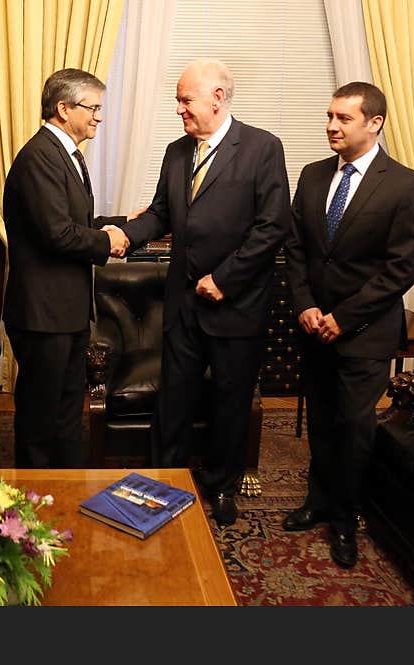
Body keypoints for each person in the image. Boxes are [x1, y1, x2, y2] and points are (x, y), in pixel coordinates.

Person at [120, 59, 291, 526]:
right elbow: (160, 214)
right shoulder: (177, 152)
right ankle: (161, 482)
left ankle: (222, 487)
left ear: (217, 97)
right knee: (172, 399)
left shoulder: (261, 148)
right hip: (182, 306)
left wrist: (225, 278)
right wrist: (122, 236)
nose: (179, 109)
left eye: (185, 100)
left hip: (236, 306)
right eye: (178, 100)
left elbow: (272, 225)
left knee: (230, 403)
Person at [283, 81, 414, 567]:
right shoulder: (312, 174)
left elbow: (401, 268)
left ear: (374, 123)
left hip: (364, 333)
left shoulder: (405, 184)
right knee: (322, 422)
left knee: (354, 427)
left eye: (343, 118)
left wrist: (343, 319)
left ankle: (345, 519)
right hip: (313, 327)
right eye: (329, 116)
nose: (331, 126)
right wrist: (304, 304)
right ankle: (318, 502)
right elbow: (298, 248)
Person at [2, 68, 127, 469]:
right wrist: (107, 241)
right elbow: (57, 234)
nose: (98, 117)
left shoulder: (66, 155)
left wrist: (120, 224)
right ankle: (34, 506)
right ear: (63, 108)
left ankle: (64, 494)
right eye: (92, 107)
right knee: (42, 419)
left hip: (64, 313)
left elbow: (73, 221)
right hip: (43, 316)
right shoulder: (40, 157)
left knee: (67, 413)